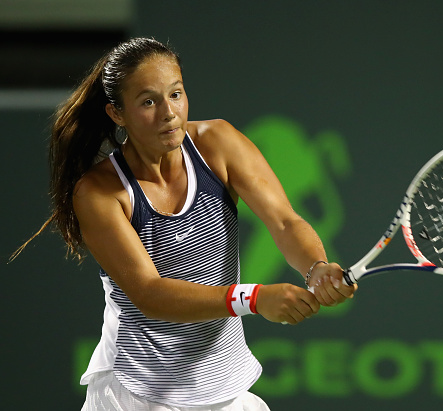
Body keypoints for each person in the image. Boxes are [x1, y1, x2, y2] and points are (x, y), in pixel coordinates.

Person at [14, 37, 356, 410]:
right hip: (135, 390)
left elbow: (286, 222)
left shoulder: (218, 143)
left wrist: (316, 267)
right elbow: (150, 294)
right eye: (148, 101)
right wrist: (253, 298)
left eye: (175, 94)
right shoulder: (98, 192)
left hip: (221, 385)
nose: (168, 113)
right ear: (117, 113)